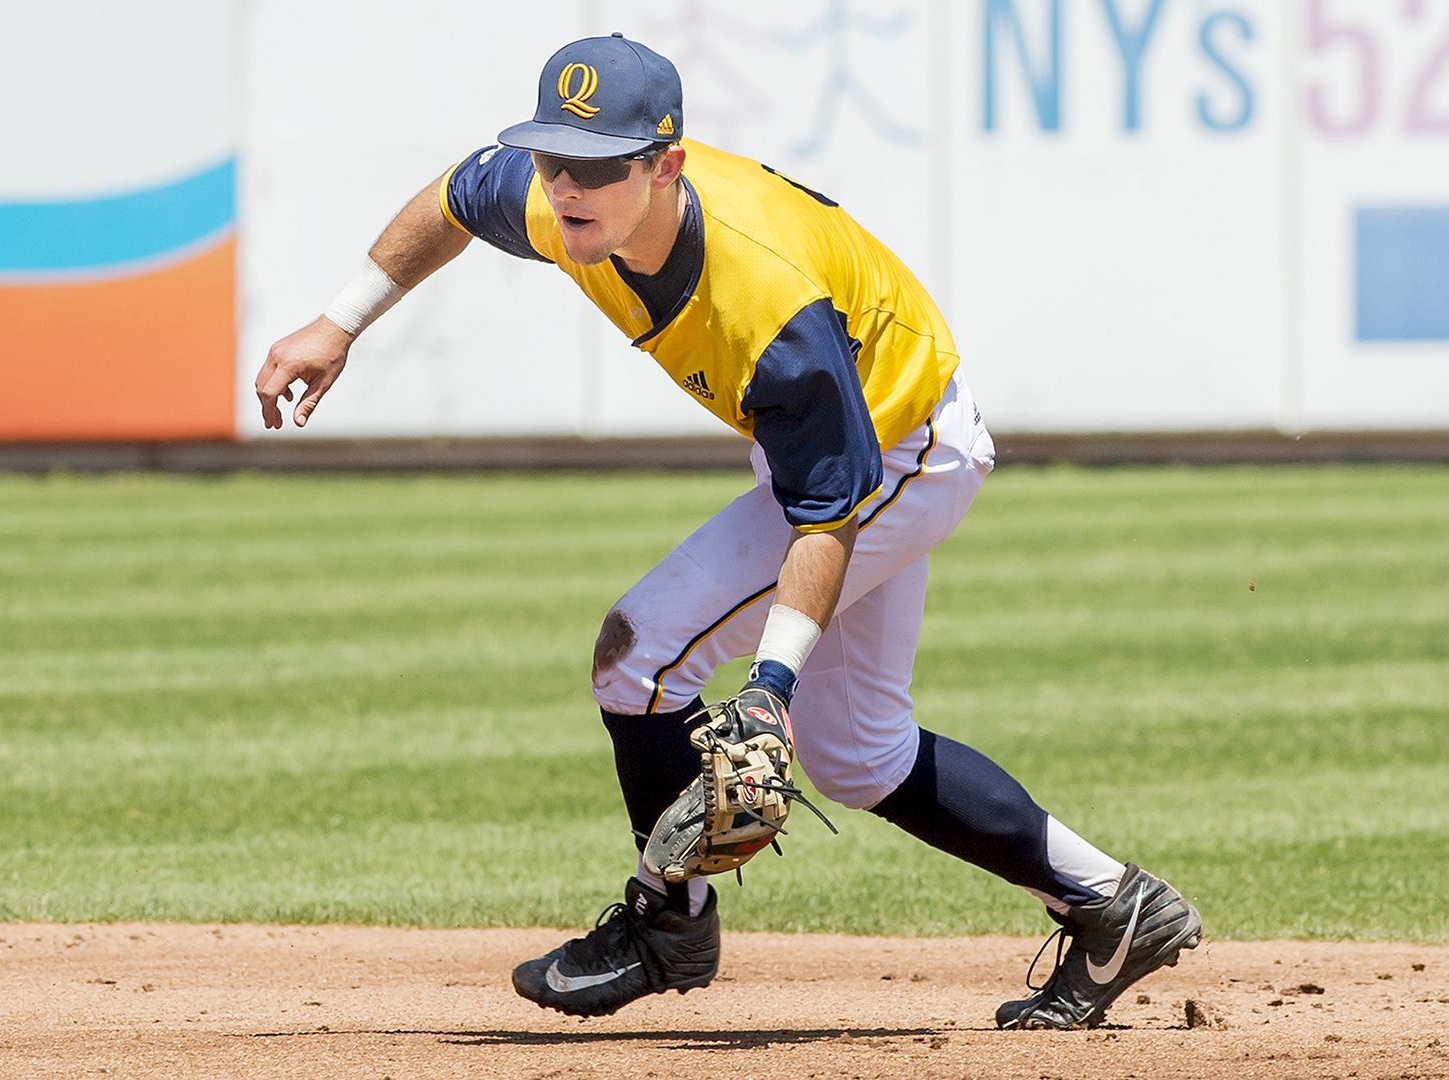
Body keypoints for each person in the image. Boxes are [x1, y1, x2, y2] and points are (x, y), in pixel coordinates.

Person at [254, 33, 1201, 1030]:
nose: (566, 185)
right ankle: (1113, 906)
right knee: (860, 754)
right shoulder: (557, 197)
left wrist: (769, 690)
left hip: (898, 446)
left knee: (639, 653)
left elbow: (827, 515)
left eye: (598, 165)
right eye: (551, 156)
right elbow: (456, 192)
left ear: (665, 165)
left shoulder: (767, 304)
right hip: (840, 441)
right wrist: (340, 322)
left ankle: (669, 921)